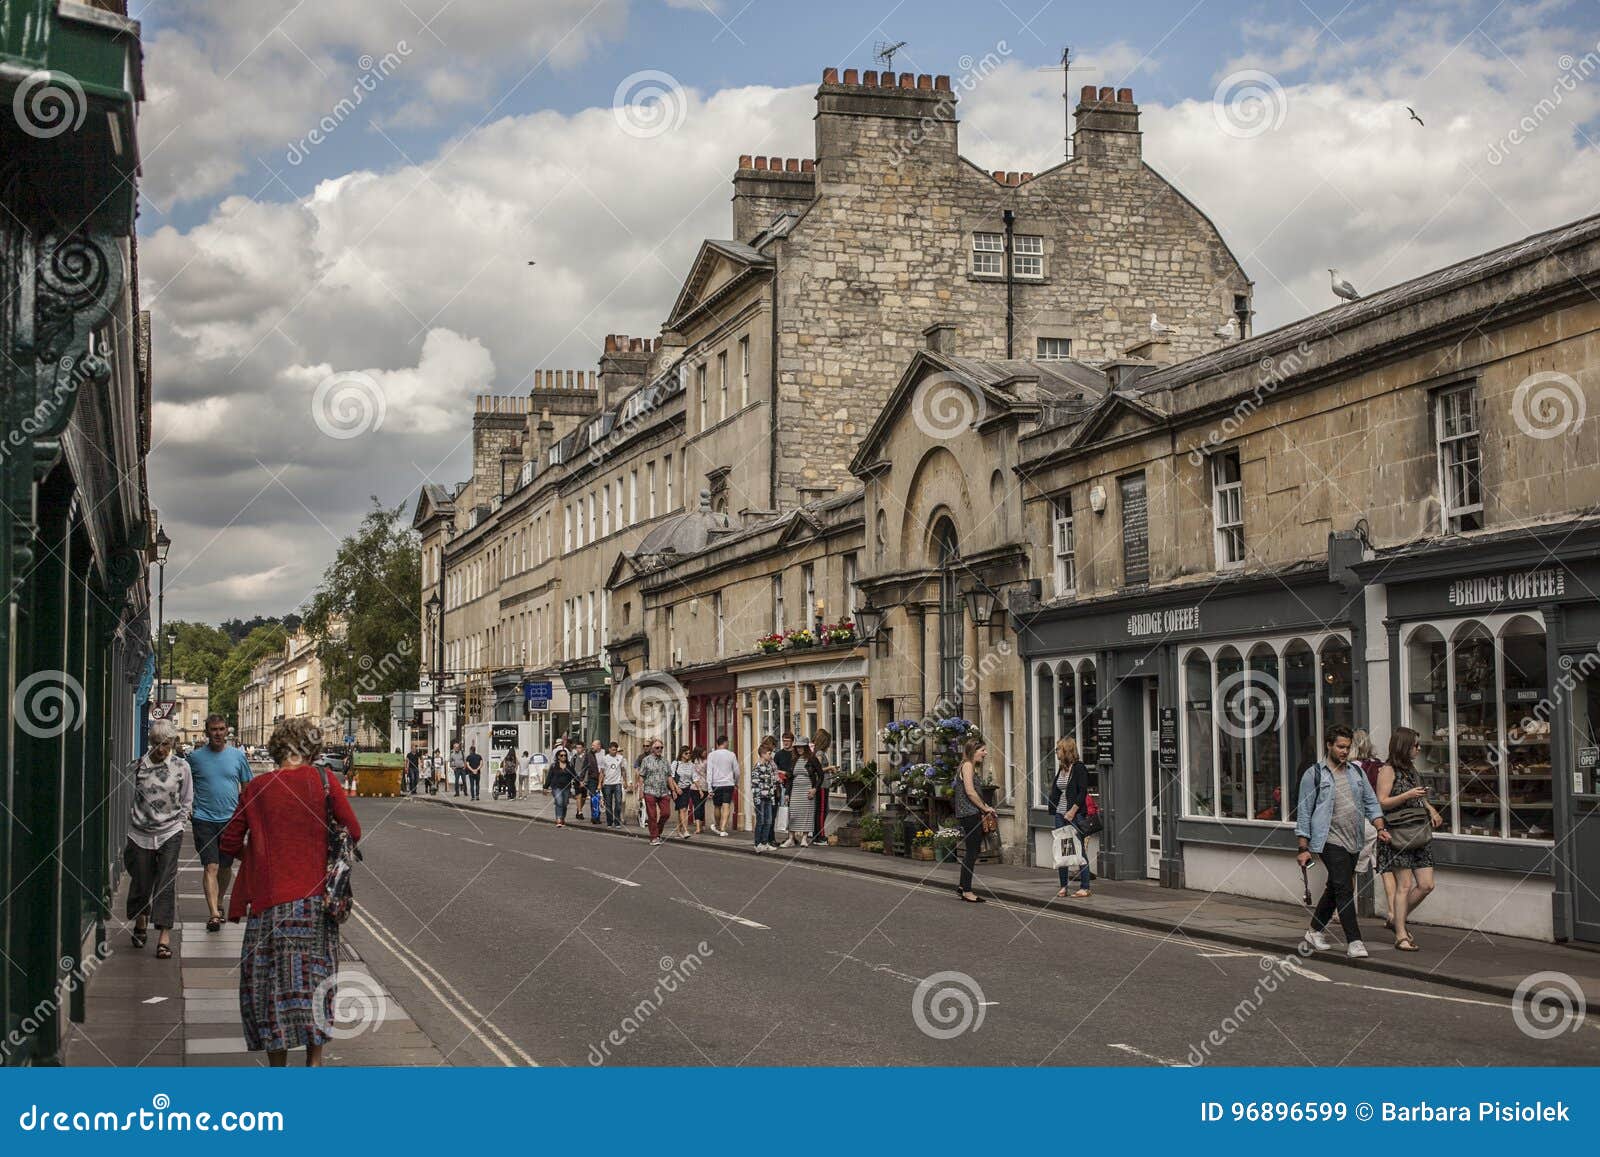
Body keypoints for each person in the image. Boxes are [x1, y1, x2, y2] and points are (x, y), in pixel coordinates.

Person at [222, 717, 362, 1068]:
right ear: (312, 750)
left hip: (270, 907)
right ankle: (314, 1063)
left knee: (272, 988)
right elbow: (353, 831)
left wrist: (259, 855)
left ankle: (278, 1069)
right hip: (316, 905)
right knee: (315, 982)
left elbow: (227, 842)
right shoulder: (324, 781)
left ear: (276, 750)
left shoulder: (256, 788)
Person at [1296, 723, 1392, 959]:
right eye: (1340, 746)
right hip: (1328, 839)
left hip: (1354, 839)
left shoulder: (1356, 773)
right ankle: (1354, 941)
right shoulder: (1314, 774)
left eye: (1347, 747)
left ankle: (1314, 931)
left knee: (1335, 887)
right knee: (1345, 887)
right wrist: (1303, 847)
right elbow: (1304, 812)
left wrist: (1380, 827)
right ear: (1329, 745)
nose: (1343, 751)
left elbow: (1371, 802)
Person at [125, 718, 192, 960]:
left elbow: (186, 799)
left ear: (173, 743)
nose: (160, 749)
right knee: (142, 882)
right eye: (155, 743)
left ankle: (164, 937)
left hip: (170, 832)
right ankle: (141, 918)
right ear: (149, 742)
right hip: (140, 833)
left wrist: (181, 824)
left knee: (165, 883)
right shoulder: (138, 766)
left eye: (165, 744)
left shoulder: (181, 767)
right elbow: (127, 794)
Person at [1374, 727, 1443, 952]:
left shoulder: (1412, 769)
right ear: (1404, 746)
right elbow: (1381, 802)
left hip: (1419, 833)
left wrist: (1431, 809)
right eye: (1415, 745)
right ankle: (1401, 935)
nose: (1419, 748)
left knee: (1426, 885)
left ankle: (1396, 918)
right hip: (1398, 835)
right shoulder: (1387, 770)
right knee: (1404, 885)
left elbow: (1419, 798)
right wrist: (1407, 795)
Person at [187, 714, 253, 932]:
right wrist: (188, 808)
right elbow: (185, 786)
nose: (218, 733)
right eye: (213, 729)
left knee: (225, 866)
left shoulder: (237, 757)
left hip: (230, 820)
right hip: (203, 819)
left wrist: (246, 815)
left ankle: (220, 901)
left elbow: (247, 788)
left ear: (227, 731)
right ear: (207, 732)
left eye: (221, 729)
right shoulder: (194, 758)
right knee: (211, 865)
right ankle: (214, 914)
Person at [953, 738, 997, 902]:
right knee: (972, 852)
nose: (985, 754)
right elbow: (970, 792)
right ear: (974, 750)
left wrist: (986, 806)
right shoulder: (968, 765)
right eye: (982, 750)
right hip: (970, 814)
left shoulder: (967, 766)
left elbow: (974, 794)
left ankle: (963, 886)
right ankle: (967, 891)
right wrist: (985, 808)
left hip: (969, 813)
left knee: (972, 851)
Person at [1048, 737, 1091, 899]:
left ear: (1066, 750)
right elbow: (1058, 790)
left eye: (1058, 749)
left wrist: (1073, 811)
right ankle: (1063, 886)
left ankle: (1085, 887)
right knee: (1062, 850)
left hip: (1075, 814)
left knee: (1079, 850)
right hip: (1060, 814)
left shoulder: (1079, 768)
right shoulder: (1062, 769)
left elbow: (1082, 792)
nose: (1056, 751)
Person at [780, 737, 820, 848]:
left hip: (807, 790)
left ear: (806, 747)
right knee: (793, 814)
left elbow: (820, 776)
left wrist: (814, 789)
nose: (799, 749)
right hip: (795, 790)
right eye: (797, 747)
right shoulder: (794, 759)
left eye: (801, 747)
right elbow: (790, 778)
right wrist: (787, 793)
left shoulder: (812, 759)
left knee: (807, 814)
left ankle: (804, 839)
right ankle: (791, 839)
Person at [638, 739, 674, 846]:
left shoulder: (665, 761)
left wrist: (673, 790)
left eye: (661, 747)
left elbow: (669, 776)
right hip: (650, 791)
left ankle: (657, 831)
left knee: (666, 813)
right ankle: (654, 837)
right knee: (652, 815)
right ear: (652, 749)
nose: (660, 750)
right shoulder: (646, 760)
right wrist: (640, 791)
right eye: (657, 747)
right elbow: (641, 776)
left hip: (663, 791)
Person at [706, 735, 740, 837]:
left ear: (717, 744)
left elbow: (709, 772)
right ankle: (723, 828)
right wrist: (736, 782)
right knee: (726, 806)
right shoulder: (731, 755)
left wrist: (709, 787)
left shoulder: (711, 755)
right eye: (727, 743)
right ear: (725, 743)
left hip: (716, 784)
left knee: (717, 806)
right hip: (728, 784)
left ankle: (717, 825)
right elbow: (737, 771)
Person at [750, 738, 779, 851]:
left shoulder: (768, 766)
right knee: (760, 821)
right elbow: (755, 784)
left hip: (768, 798)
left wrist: (772, 797)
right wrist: (756, 799)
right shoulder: (757, 767)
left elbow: (771, 783)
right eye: (769, 753)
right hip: (760, 798)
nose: (770, 755)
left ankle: (765, 842)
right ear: (762, 754)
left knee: (768, 821)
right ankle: (757, 844)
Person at [810, 728, 834, 847]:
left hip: (823, 784)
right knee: (821, 811)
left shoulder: (817, 752)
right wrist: (830, 768)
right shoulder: (819, 753)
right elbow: (817, 769)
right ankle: (820, 836)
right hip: (822, 785)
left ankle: (816, 834)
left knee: (823, 810)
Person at [669, 745, 697, 839]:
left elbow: (694, 777)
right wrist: (676, 788)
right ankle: (685, 830)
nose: (688, 755)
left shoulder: (691, 765)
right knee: (683, 809)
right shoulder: (675, 763)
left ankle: (678, 831)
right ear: (681, 754)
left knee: (682, 810)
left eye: (689, 753)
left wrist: (700, 790)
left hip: (686, 789)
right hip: (677, 789)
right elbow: (671, 777)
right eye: (686, 753)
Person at [546, 747, 576, 827]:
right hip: (556, 787)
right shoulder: (554, 766)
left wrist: (580, 781)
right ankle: (558, 819)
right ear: (558, 756)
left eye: (565, 755)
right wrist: (545, 787)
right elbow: (549, 777)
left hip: (566, 787)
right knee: (559, 802)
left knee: (565, 803)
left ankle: (562, 818)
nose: (563, 757)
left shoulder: (569, 765)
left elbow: (574, 775)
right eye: (561, 755)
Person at [601, 741, 626, 827]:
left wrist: (625, 781)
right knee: (608, 803)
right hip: (607, 783)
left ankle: (617, 822)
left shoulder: (620, 758)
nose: (614, 752)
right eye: (612, 750)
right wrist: (599, 783)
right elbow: (602, 772)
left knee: (618, 803)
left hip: (617, 783)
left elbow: (623, 770)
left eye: (615, 750)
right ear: (609, 750)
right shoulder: (605, 758)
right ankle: (609, 821)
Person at [586, 739, 605, 824]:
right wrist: (581, 779)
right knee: (594, 797)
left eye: (594, 745)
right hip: (592, 778)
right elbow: (585, 766)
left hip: (604, 778)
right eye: (592, 745)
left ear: (599, 746)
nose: (592, 747)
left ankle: (601, 815)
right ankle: (595, 817)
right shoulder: (589, 754)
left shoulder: (605, 753)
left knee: (603, 798)